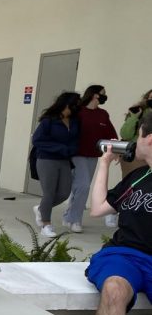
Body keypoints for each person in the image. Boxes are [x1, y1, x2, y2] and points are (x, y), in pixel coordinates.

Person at [85, 110, 152, 315]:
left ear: (147, 138)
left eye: (137, 135)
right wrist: (103, 164)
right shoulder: (137, 176)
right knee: (114, 288)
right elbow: (98, 208)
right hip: (124, 254)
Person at [63, 85, 117, 233]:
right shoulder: (78, 112)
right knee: (84, 186)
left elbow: (111, 133)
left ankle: (68, 216)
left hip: (93, 156)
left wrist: (117, 148)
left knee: (79, 187)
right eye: (103, 94)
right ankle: (75, 220)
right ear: (95, 95)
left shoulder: (103, 114)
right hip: (77, 154)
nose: (105, 96)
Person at [31, 91, 80, 238]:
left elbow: (75, 140)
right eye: (75, 104)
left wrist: (71, 149)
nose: (78, 107)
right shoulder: (49, 120)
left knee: (64, 192)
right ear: (66, 104)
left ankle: (40, 209)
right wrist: (60, 148)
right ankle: (46, 224)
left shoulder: (74, 121)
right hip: (46, 159)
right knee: (49, 192)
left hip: (64, 160)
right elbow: (37, 140)